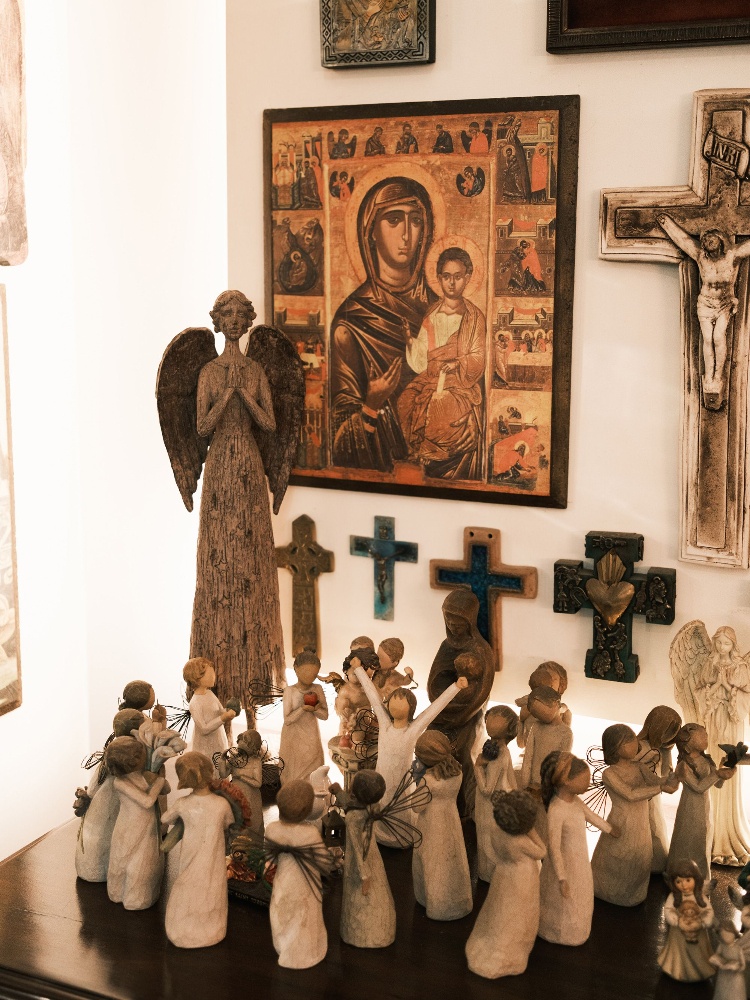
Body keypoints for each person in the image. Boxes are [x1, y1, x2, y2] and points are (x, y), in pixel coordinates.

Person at [188, 291, 286, 709]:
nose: (232, 321)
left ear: (247, 323)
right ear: (218, 321)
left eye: (238, 315)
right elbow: (202, 426)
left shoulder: (255, 369)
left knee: (249, 555)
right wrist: (226, 395)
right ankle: (214, 678)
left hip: (248, 461)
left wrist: (243, 394)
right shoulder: (209, 371)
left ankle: (255, 679)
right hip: (220, 470)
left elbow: (268, 421)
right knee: (219, 558)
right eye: (225, 315)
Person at [330, 176, 437, 470]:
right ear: (371, 231)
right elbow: (338, 438)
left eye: (415, 221)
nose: (406, 234)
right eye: (393, 220)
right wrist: (372, 403)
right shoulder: (350, 321)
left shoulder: (441, 311)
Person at [398, 246, 486, 480]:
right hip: (431, 378)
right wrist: (410, 341)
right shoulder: (432, 314)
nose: (452, 283)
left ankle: (435, 458)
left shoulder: (474, 317)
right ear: (438, 279)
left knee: (441, 404)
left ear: (467, 278)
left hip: (459, 383)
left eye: (458, 277)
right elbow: (421, 361)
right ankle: (418, 455)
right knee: (406, 400)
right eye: (446, 277)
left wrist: (458, 363)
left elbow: (478, 357)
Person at [658, 214, 750, 406]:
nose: (708, 242)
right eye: (705, 240)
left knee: (718, 338)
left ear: (720, 241)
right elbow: (684, 241)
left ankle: (718, 376)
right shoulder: (701, 258)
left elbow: (747, 247)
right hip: (706, 304)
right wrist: (666, 223)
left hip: (724, 304)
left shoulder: (732, 257)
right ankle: (709, 376)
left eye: (712, 238)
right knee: (707, 339)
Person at [591, 724, 678, 906]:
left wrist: (673, 777)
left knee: (641, 856)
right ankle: (609, 891)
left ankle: (632, 894)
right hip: (623, 821)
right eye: (628, 741)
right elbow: (630, 794)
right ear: (615, 747)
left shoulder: (639, 767)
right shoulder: (610, 773)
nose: (634, 744)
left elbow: (658, 781)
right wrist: (661, 787)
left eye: (633, 739)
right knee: (621, 856)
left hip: (641, 823)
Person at [426, 589, 495, 818]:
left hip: (466, 717)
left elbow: (481, 693)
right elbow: (435, 679)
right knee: (429, 742)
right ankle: (430, 797)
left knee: (462, 753)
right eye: (449, 622)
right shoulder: (446, 646)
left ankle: (462, 809)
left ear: (470, 621)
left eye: (459, 623)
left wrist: (460, 714)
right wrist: (443, 700)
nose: (454, 628)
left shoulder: (480, 650)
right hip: (443, 710)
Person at [161, 752, 234, 948]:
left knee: (186, 887)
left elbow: (165, 819)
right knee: (211, 888)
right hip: (212, 858)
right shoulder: (221, 804)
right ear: (210, 772)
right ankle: (212, 928)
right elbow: (229, 822)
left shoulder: (183, 804)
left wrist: (181, 820)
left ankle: (181, 928)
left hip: (190, 858)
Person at [667, 722, 736, 879]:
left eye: (706, 734)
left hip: (705, 809)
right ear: (687, 743)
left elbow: (716, 784)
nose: (706, 737)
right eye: (702, 735)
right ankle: (681, 874)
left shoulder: (706, 761)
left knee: (703, 840)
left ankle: (701, 876)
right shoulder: (683, 766)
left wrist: (723, 773)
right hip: (689, 809)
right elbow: (698, 787)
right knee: (687, 839)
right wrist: (718, 774)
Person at [657, 860, 715, 982]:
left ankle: (699, 970)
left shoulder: (700, 897)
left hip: (698, 930)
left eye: (688, 880)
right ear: (673, 883)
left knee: (698, 954)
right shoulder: (674, 897)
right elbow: (668, 909)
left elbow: (708, 911)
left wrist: (704, 922)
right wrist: (676, 921)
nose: (684, 885)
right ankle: (677, 970)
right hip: (678, 934)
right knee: (678, 955)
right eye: (679, 881)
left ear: (696, 879)